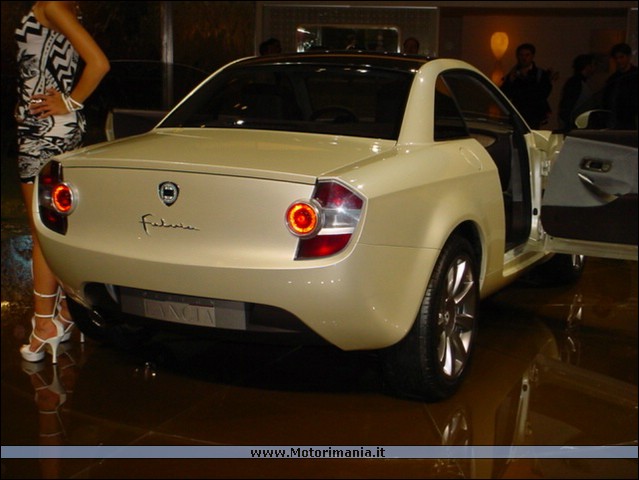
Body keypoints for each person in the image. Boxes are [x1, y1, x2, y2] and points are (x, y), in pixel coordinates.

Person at [15, 1, 110, 363]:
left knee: (44, 230)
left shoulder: (51, 4)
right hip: (52, 129)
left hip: (43, 133)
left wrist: (69, 102)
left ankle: (44, 325)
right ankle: (69, 314)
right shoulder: (67, 6)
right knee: (57, 226)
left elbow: (99, 64)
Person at [501, 43, 553, 129]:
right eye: (521, 55)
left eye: (527, 55)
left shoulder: (540, 74)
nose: (523, 58)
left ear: (532, 56)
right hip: (518, 113)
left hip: (534, 115)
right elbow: (504, 93)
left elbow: (544, 93)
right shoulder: (513, 74)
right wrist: (510, 80)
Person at [602, 42, 637, 129]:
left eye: (621, 57)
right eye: (616, 58)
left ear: (628, 57)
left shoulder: (635, 75)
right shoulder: (613, 79)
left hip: (632, 119)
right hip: (614, 119)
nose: (619, 61)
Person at [558, 53, 596, 131]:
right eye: (593, 65)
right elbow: (568, 105)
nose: (595, 68)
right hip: (575, 125)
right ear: (587, 66)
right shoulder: (576, 83)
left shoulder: (579, 82)